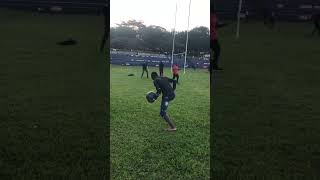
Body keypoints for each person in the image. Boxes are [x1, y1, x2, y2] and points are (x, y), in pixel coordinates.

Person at [210, 5, 227, 73]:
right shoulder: (210, 16)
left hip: (214, 37)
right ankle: (213, 65)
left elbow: (216, 25)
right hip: (211, 37)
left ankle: (213, 65)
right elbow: (216, 25)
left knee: (217, 50)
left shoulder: (213, 15)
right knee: (217, 50)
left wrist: (223, 24)